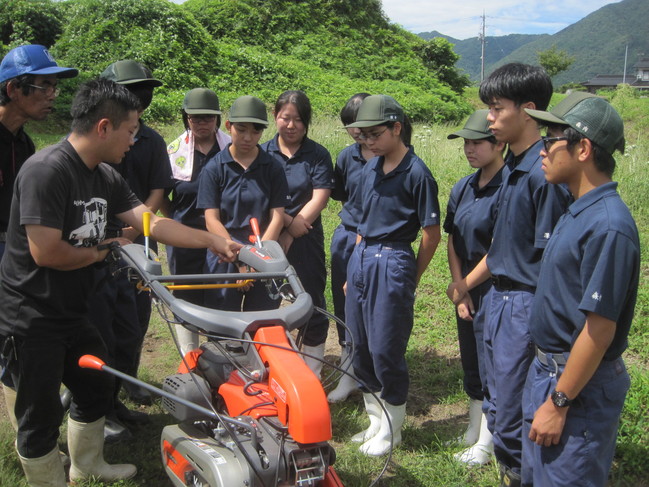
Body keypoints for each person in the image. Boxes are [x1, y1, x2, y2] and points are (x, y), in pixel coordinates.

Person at [0, 78, 239, 487]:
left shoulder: (105, 176)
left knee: (95, 387)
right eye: (131, 131)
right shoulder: (46, 171)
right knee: (38, 414)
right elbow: (47, 253)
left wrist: (213, 240)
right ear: (104, 127)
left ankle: (88, 464)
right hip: (33, 314)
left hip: (74, 309)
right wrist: (104, 250)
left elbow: (152, 222)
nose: (134, 140)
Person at [446, 63, 571, 486]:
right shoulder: (515, 170)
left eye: (497, 109)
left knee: (519, 409)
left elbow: (552, 261)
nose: (491, 118)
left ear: (529, 110)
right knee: (498, 403)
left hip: (523, 302)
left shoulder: (543, 174)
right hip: (497, 299)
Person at [521, 92, 637, 487]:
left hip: (575, 388)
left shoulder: (608, 226)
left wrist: (559, 402)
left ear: (583, 148)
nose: (541, 150)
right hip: (550, 373)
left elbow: (599, 330)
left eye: (549, 139)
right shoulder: (576, 207)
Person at [345, 94, 441, 456]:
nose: (368, 142)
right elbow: (359, 221)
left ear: (396, 128)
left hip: (394, 257)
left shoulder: (417, 173)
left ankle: (392, 429)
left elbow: (431, 233)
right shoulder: (370, 167)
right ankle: (375, 422)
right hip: (363, 255)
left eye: (374, 134)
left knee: (387, 346)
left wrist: (410, 277)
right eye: (363, 136)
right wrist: (353, 265)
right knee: (360, 344)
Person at [0, 44, 78, 435]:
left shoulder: (24, 143)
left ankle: (30, 435)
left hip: (14, 254)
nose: (52, 95)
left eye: (55, 87)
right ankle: (31, 440)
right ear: (14, 89)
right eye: (44, 86)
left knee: (16, 350)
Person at [91, 60, 172, 432]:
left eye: (145, 90)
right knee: (99, 326)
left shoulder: (152, 140)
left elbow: (157, 190)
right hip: (95, 246)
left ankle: (127, 386)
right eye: (133, 89)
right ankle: (97, 405)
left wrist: (135, 231)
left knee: (134, 319)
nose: (142, 97)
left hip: (138, 242)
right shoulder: (94, 142)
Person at [445, 109, 506, 465]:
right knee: (471, 358)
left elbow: (500, 248)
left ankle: (488, 440)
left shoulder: (509, 186)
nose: (469, 149)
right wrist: (459, 287)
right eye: (466, 143)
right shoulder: (464, 187)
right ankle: (473, 427)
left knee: (493, 363)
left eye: (477, 142)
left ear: (498, 143)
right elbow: (453, 238)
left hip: (494, 288)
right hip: (466, 286)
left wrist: (465, 286)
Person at [261, 90, 334, 377]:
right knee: (267, 301)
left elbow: (320, 196)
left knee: (311, 301)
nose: (291, 126)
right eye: (285, 118)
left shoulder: (317, 154)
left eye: (298, 120)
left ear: (307, 122)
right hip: (269, 236)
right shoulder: (263, 153)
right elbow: (261, 195)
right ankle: (272, 367)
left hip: (307, 236)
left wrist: (295, 228)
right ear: (275, 117)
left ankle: (311, 372)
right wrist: (286, 224)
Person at [197, 95, 288, 312]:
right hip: (224, 254)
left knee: (262, 323)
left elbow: (277, 217)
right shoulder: (214, 168)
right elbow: (211, 219)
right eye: (241, 129)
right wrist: (238, 259)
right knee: (222, 326)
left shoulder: (273, 168)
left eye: (255, 131)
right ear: (229, 126)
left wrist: (259, 259)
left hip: (264, 252)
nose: (248, 137)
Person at [164, 88, 231, 355]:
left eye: (207, 117)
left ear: (217, 118)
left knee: (219, 294)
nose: (201, 123)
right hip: (184, 237)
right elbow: (161, 194)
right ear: (186, 118)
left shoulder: (230, 149)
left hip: (221, 236)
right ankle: (189, 357)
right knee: (185, 294)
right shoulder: (172, 151)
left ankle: (217, 356)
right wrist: (174, 223)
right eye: (195, 118)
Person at [327, 92, 372, 403]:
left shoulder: (393, 157)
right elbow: (341, 194)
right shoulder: (346, 157)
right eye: (349, 125)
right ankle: (348, 370)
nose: (355, 131)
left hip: (378, 242)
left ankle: (371, 369)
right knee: (343, 303)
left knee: (373, 307)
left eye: (358, 123)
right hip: (347, 234)